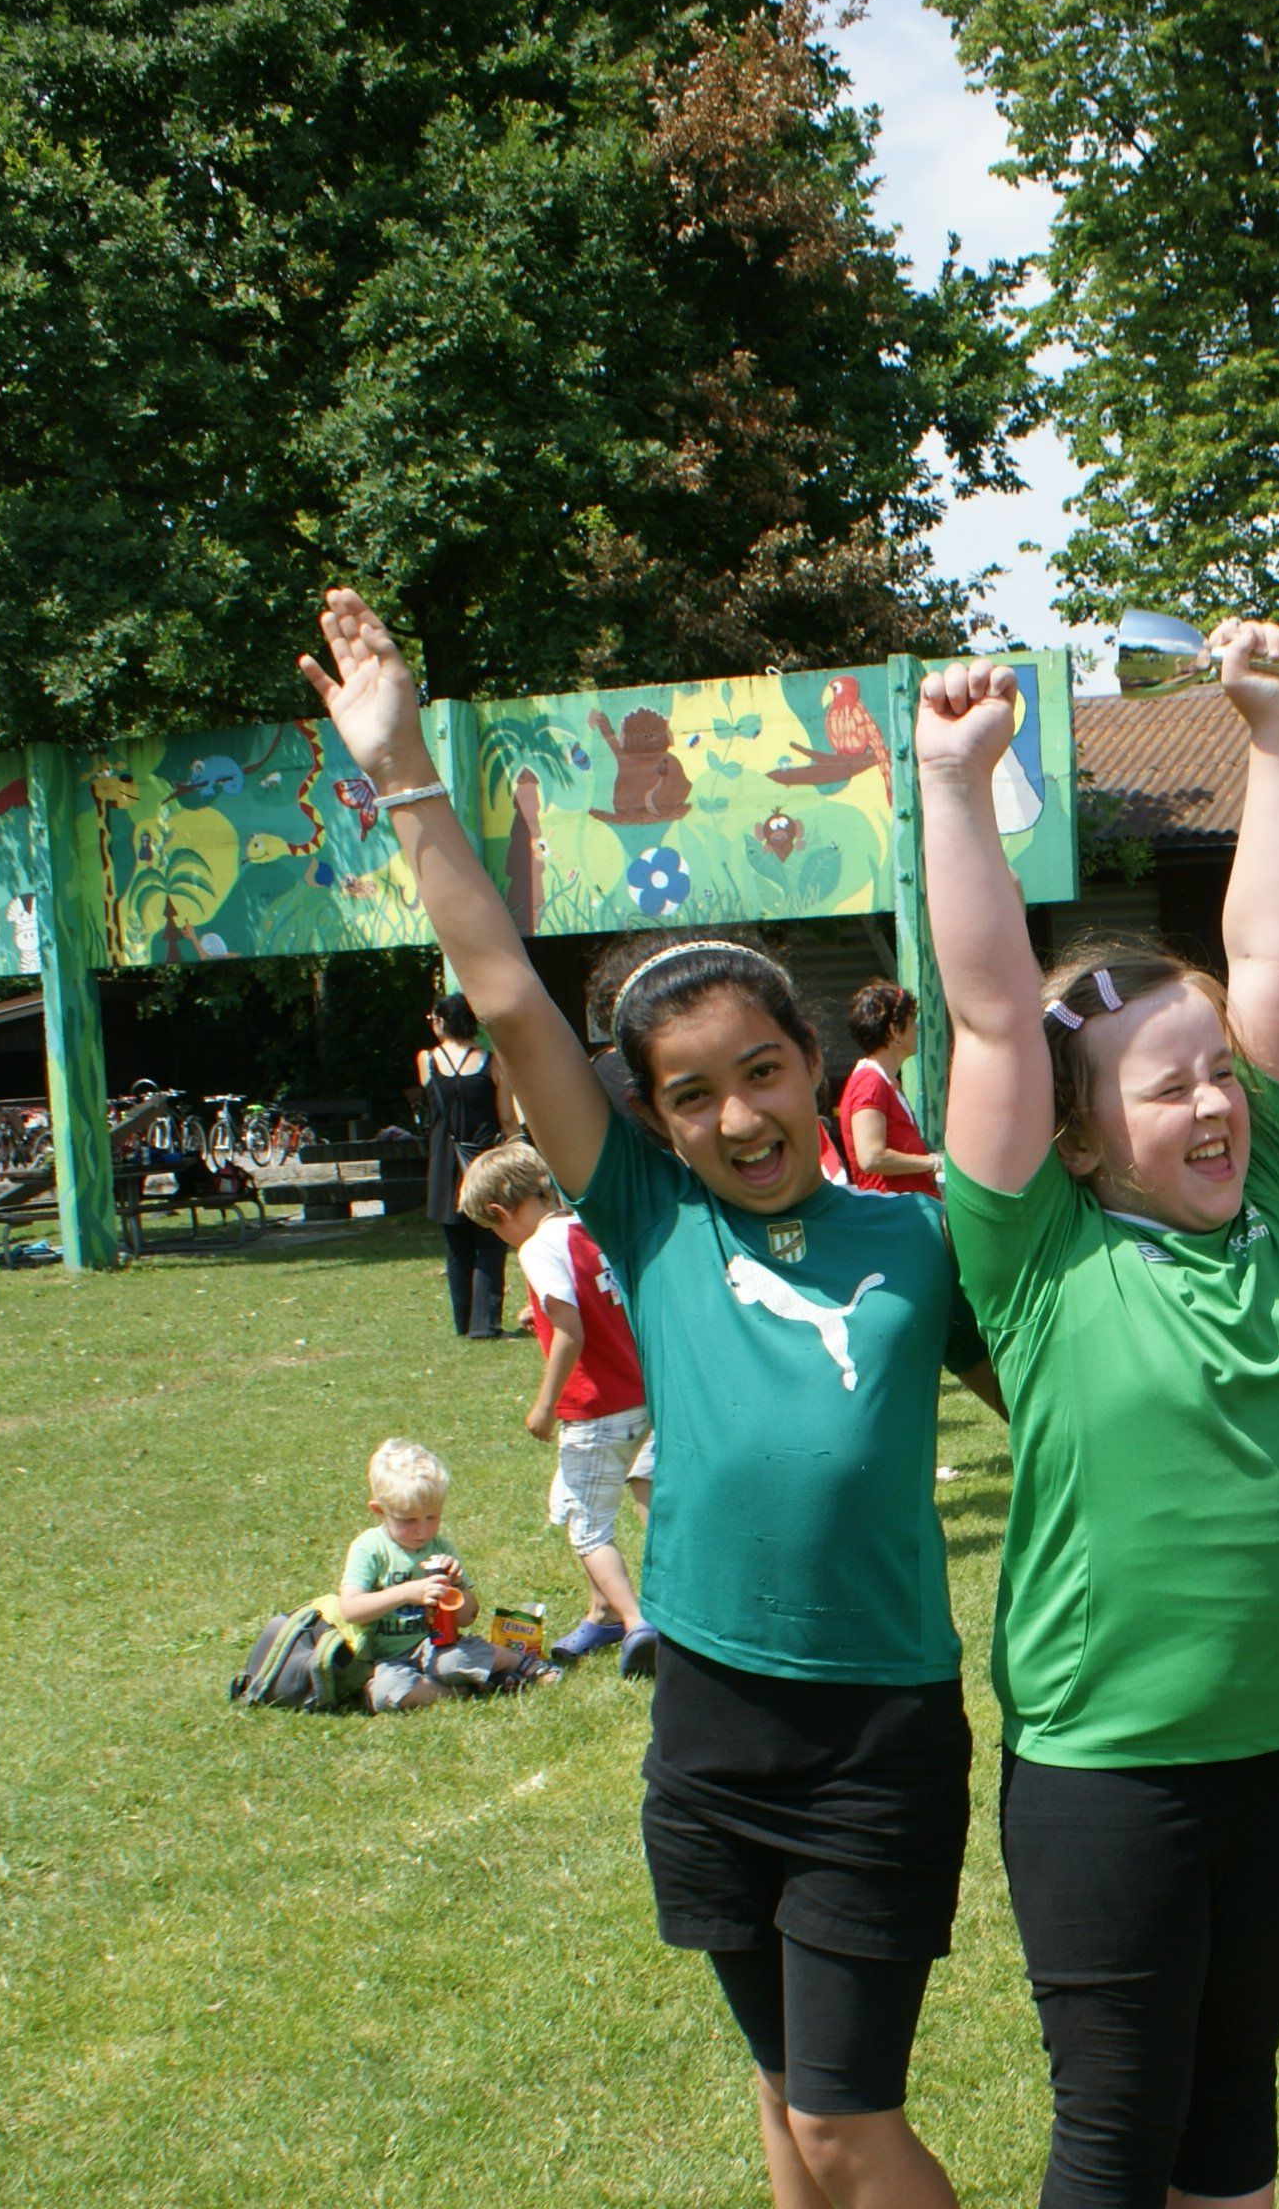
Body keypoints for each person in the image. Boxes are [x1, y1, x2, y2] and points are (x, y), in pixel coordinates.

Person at [311, 587, 988, 2209]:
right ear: (652, 1121)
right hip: (709, 1721)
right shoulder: (650, 1218)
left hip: (875, 1734)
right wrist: (400, 768)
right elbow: (506, 994)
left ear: (809, 1061)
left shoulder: (921, 1239)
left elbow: (1071, 1406)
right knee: (781, 2098)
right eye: (692, 1095)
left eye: (762, 1071)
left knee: (844, 2121)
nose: (739, 1117)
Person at [917, 625, 1279, 2209]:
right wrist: (956, 787)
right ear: (1082, 1139)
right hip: (1110, 1769)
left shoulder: (1278, 1199)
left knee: (1233, 2112)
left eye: (1220, 1075)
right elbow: (990, 1019)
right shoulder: (1040, 1255)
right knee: (1115, 2131)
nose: (1218, 1104)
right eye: (1168, 1091)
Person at [461, 1142, 658, 1674]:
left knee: (588, 1527)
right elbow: (599, 1301)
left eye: (494, 1228)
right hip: (640, 1396)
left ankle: (637, 1622)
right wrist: (541, 1314)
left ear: (501, 1212)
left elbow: (571, 1330)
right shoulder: (586, 1229)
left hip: (594, 1408)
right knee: (583, 1498)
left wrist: (545, 1406)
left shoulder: (535, 1247)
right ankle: (603, 1613)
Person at [334, 1437, 557, 1707]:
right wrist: (407, 1593)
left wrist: (458, 1585)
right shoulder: (370, 1548)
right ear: (380, 1511)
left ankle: (522, 1663)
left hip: (438, 1648)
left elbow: (467, 1618)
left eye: (432, 1517)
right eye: (408, 1520)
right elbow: (351, 1609)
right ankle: (471, 1689)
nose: (422, 1530)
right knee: (385, 1694)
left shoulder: (440, 1547)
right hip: (386, 1658)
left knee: (457, 1660)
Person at [418, 991, 516, 1337]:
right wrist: (517, 1148)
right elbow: (506, 1117)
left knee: (457, 1247)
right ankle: (485, 1324)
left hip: (445, 1163)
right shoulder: (492, 1063)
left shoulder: (427, 1061)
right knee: (490, 1242)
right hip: (484, 1160)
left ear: (442, 1022)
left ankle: (463, 1323)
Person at [838, 982, 943, 1198]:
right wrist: (933, 1162)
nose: (917, 1028)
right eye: (912, 1021)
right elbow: (871, 1157)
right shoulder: (870, 1083)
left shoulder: (885, 1081)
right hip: (892, 1209)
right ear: (895, 1031)